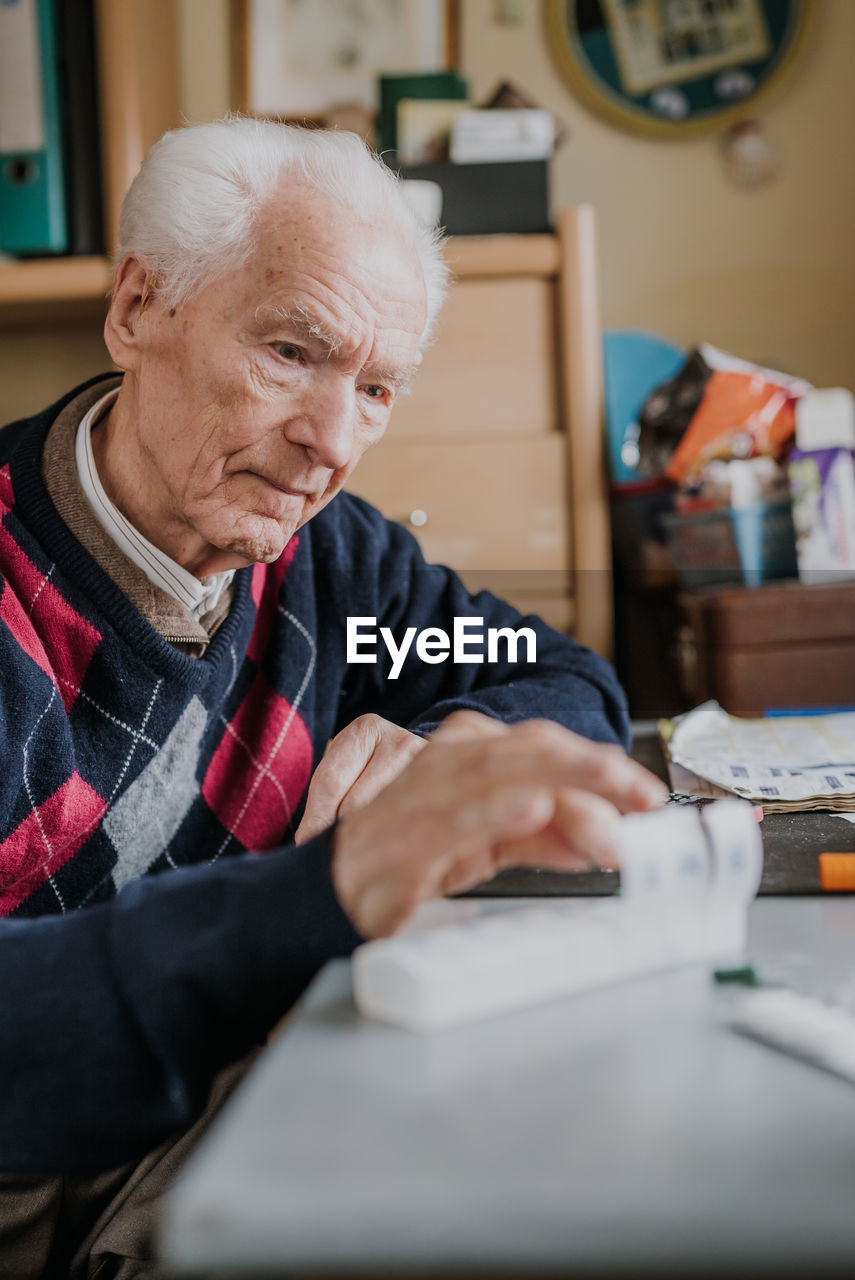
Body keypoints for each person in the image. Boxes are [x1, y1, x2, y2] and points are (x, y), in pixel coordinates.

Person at [0, 118, 665, 1275]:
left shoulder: (331, 559)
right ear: (138, 308)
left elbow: (568, 676)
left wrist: (457, 738)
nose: (330, 441)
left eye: (377, 388)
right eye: (292, 354)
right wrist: (327, 889)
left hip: (238, 1105)